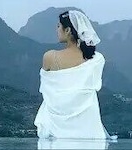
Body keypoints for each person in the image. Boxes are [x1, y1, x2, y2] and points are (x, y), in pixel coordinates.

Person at [34, 10, 108, 140]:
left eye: (59, 26)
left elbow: (46, 90)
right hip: (88, 128)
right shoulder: (96, 60)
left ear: (68, 30)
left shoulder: (50, 57)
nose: (57, 30)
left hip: (54, 127)